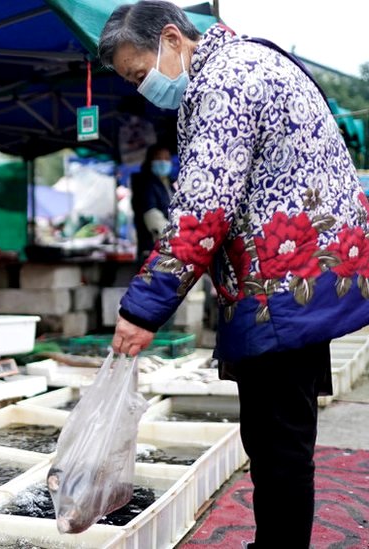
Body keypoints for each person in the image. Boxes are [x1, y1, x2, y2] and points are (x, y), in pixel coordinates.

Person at [98, 2, 369, 547]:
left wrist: (142, 309)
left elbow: (204, 210)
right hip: (304, 279)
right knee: (280, 435)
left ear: (172, 38)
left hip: (283, 286)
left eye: (137, 73)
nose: (141, 88)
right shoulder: (252, 61)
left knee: (278, 440)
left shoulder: (223, 81)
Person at [130, 143, 176, 258]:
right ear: (150, 161)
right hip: (152, 246)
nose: (163, 162)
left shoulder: (169, 184)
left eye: (166, 159)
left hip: (168, 245)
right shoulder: (146, 184)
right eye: (159, 158)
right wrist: (173, 238)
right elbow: (151, 214)